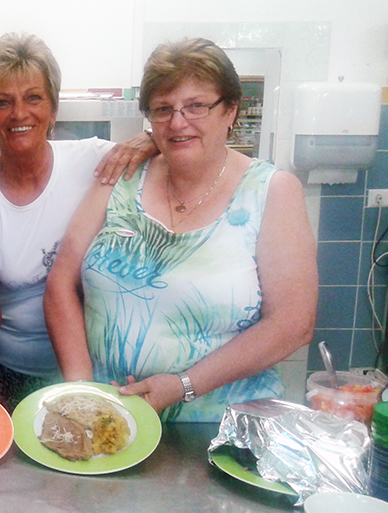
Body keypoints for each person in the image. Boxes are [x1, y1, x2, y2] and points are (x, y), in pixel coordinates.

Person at [45, 37, 318, 422]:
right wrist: (85, 392)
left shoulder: (271, 191)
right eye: (162, 109)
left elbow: (293, 324)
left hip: (222, 425)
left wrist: (184, 384)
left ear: (230, 111)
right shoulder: (119, 177)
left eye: (196, 106)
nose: (177, 122)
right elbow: (60, 282)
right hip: (111, 416)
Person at [0, 33, 158, 412]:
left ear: (53, 107)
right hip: (6, 372)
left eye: (33, 97)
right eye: (2, 102)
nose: (19, 114)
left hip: (96, 365)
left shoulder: (96, 163)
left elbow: (174, 153)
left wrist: (150, 140)